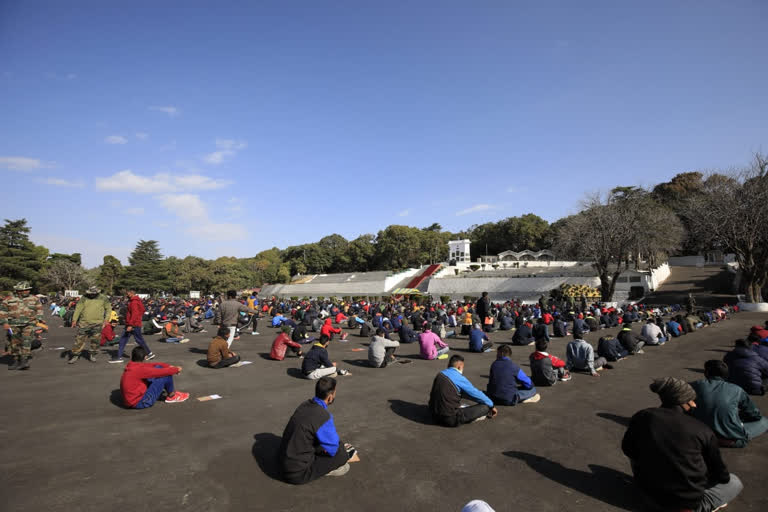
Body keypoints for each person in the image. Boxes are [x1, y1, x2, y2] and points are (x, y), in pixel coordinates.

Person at [622, 377, 743, 511]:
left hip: (648, 492)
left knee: (638, 451)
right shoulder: (701, 429)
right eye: (691, 400)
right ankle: (704, 506)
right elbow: (721, 476)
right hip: (682, 504)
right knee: (734, 481)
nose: (694, 404)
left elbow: (627, 449)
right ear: (682, 402)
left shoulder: (642, 416)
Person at [279, 376, 361, 484]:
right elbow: (333, 450)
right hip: (297, 473)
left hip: (282, 461)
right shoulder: (324, 416)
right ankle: (324, 469)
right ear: (330, 397)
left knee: (323, 442)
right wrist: (341, 448)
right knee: (342, 457)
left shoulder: (304, 405)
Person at [691, 360, 768, 448]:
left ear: (706, 373)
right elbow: (754, 414)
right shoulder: (737, 389)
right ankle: (728, 439)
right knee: (764, 421)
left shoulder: (694, 385)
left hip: (699, 431)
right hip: (728, 436)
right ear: (726, 375)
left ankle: (707, 437)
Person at [429, 354, 497, 427]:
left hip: (433, 415)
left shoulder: (440, 374)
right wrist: (491, 405)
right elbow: (475, 393)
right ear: (460, 366)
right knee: (486, 407)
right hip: (450, 419)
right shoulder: (458, 378)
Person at [119, 346, 189, 408]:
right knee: (165, 374)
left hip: (131, 400)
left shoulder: (132, 365)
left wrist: (169, 366)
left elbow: (155, 365)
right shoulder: (139, 369)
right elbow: (161, 372)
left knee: (158, 367)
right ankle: (172, 396)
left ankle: (171, 392)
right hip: (140, 402)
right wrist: (176, 369)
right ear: (145, 357)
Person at [0, 282, 43, 370]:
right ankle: (16, 361)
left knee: (26, 342)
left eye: (28, 289)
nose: (28, 291)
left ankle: (24, 361)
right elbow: (2, 312)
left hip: (28, 324)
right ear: (19, 291)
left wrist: (37, 320)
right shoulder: (8, 299)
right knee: (14, 343)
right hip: (13, 325)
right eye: (25, 290)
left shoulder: (34, 299)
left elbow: (39, 310)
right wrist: (5, 323)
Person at [68, 286, 112, 363]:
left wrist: (106, 319)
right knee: (79, 340)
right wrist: (74, 320)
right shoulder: (84, 297)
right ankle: (75, 355)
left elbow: (108, 309)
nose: (91, 295)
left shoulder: (103, 298)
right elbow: (78, 308)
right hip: (84, 323)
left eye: (93, 294)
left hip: (97, 323)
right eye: (90, 293)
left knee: (95, 341)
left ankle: (92, 354)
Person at [112, 290, 154, 363]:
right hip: (136, 323)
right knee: (138, 340)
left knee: (123, 340)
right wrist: (138, 318)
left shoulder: (133, 302)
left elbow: (134, 314)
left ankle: (119, 357)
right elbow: (142, 310)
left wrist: (131, 324)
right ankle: (149, 353)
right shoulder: (138, 301)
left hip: (132, 324)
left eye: (128, 294)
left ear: (131, 294)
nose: (127, 295)